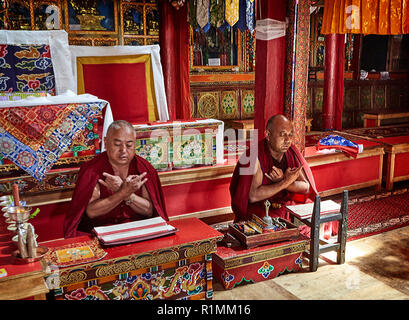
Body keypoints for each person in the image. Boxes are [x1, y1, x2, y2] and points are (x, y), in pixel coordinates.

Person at [64, 120, 168, 238]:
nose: (123, 150)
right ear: (106, 142)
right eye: (117, 144)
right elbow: (91, 212)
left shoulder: (144, 168)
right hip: (102, 233)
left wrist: (127, 194)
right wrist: (123, 192)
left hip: (137, 231)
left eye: (129, 145)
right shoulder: (92, 170)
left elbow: (149, 211)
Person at [230, 114, 317, 223]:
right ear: (268, 135)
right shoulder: (255, 156)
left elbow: (306, 187)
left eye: (290, 135)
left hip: (284, 206)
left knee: (316, 216)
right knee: (267, 226)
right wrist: (284, 183)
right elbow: (253, 196)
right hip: (261, 208)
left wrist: (283, 181)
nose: (288, 140)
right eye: (282, 135)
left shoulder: (291, 153)